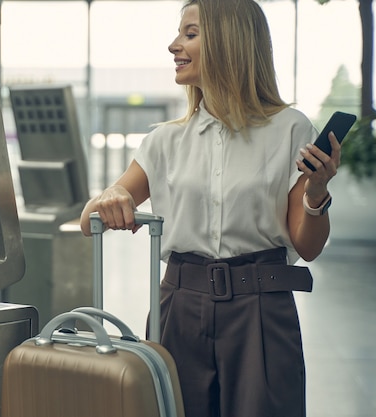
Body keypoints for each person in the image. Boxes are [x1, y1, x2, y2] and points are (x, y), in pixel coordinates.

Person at [80, 0, 341, 416]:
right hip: (178, 310)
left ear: (229, 42)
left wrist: (316, 193)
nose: (173, 46)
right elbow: (88, 218)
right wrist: (112, 195)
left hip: (262, 310)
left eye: (189, 33)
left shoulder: (291, 129)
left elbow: (307, 246)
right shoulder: (165, 141)